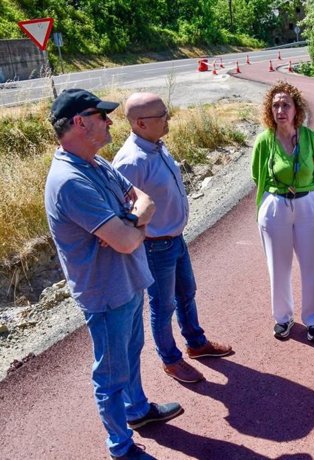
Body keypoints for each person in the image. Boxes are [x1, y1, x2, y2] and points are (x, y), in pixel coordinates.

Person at [44, 89, 182, 460]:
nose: (108, 121)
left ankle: (137, 412)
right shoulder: (70, 180)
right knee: (110, 374)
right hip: (105, 291)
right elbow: (124, 240)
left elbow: (144, 201)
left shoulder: (96, 163)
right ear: (79, 122)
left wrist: (129, 222)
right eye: (101, 115)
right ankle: (120, 448)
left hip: (128, 281)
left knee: (132, 353)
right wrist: (130, 229)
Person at [112, 93, 233, 384]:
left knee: (187, 293)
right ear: (141, 123)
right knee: (163, 306)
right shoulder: (130, 161)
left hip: (175, 239)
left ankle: (195, 342)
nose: (169, 118)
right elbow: (119, 210)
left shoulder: (156, 146)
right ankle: (170, 359)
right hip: (155, 246)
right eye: (162, 115)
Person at [251, 81, 314, 342]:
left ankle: (313, 319)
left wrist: (302, 188)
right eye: (275, 106)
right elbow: (256, 174)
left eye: (286, 105)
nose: (280, 110)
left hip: (309, 204)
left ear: (297, 109)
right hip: (275, 206)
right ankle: (283, 318)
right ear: (269, 111)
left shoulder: (310, 137)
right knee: (278, 265)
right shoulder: (264, 141)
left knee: (312, 264)